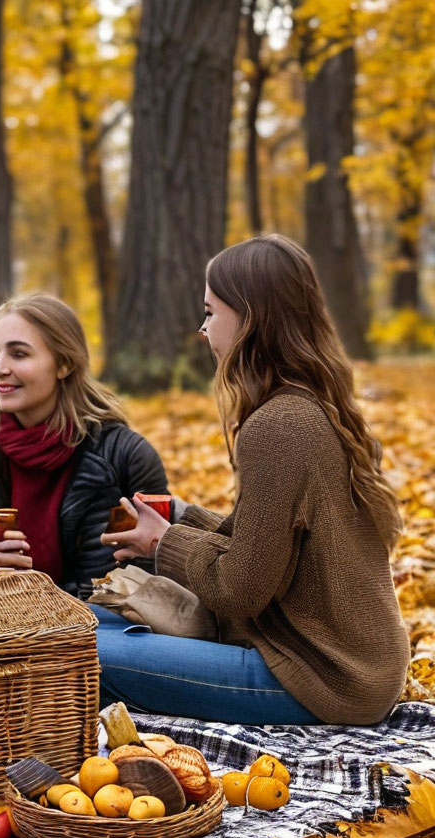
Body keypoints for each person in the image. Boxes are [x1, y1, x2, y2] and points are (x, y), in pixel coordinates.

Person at [99, 234, 409, 726]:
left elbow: (240, 590)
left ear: (249, 317)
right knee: (84, 620)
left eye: (210, 312)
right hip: (354, 669)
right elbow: (274, 548)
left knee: (81, 649)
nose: (204, 330)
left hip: (320, 680)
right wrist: (183, 516)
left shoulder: (278, 427)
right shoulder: (308, 406)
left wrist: (165, 543)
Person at [0, 292, 168, 597]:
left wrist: (34, 595)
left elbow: (152, 581)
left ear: (64, 364)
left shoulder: (126, 457)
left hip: (97, 635)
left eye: (19, 354)